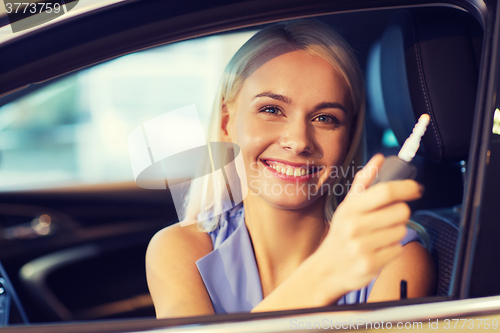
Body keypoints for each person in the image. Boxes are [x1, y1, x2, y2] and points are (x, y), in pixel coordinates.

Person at [146, 19, 436, 318]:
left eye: (326, 118)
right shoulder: (179, 250)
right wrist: (326, 273)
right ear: (226, 123)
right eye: (271, 110)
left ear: (349, 136)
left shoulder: (397, 259)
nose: (298, 141)